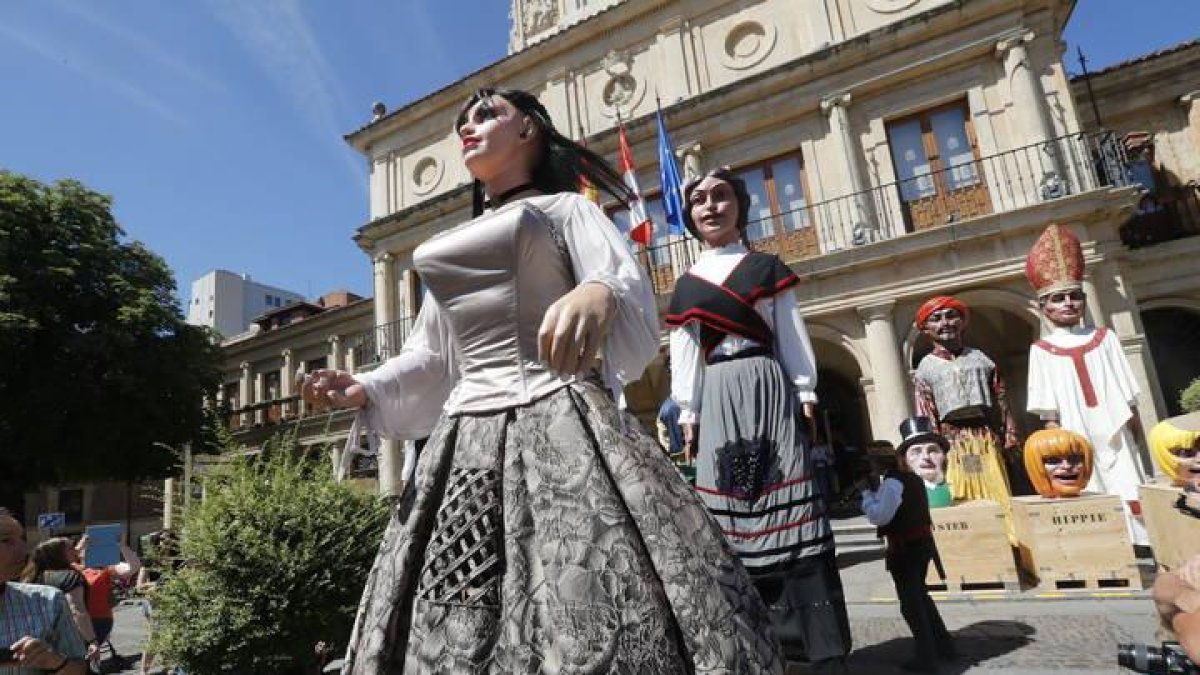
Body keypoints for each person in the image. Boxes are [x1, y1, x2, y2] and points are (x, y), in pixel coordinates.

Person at [301, 88, 781, 674]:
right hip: (466, 436)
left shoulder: (569, 211)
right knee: (458, 589)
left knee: (584, 574)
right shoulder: (449, 244)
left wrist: (597, 292)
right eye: (463, 124)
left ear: (528, 130)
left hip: (560, 414)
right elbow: (430, 353)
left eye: (487, 114)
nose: (469, 129)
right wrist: (367, 388)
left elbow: (621, 281)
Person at [665, 168, 849, 670]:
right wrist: (688, 409)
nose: (710, 206)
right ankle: (749, 648)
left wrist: (804, 386)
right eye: (699, 199)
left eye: (720, 196)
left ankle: (816, 650)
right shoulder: (687, 285)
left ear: (740, 205)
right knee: (730, 505)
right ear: (689, 214)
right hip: (718, 390)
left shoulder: (766, 267)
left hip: (767, 381)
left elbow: (789, 328)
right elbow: (684, 353)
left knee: (784, 498)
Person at [1024, 224, 1148, 544]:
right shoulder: (1041, 350)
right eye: (1058, 298)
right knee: (1085, 484)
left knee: (1126, 478)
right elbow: (1048, 411)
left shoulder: (1105, 338)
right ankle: (1102, 546)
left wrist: (1136, 431)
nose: (1068, 303)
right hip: (1073, 431)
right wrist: (1056, 439)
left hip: (1114, 427)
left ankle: (1140, 543)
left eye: (1074, 296)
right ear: (1044, 307)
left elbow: (1129, 396)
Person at [861, 418, 958, 673]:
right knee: (921, 598)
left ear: (877, 463)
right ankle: (944, 646)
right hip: (920, 546)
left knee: (912, 605)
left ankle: (927, 658)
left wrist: (866, 496)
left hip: (906, 550)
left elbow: (879, 516)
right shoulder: (911, 479)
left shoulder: (893, 483)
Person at [912, 295, 1028, 495]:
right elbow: (926, 409)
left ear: (962, 321)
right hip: (952, 441)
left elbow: (1001, 398)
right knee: (964, 490)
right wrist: (934, 447)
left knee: (996, 489)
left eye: (951, 316)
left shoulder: (981, 359)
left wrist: (1010, 433)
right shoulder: (925, 367)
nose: (945, 323)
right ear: (925, 328)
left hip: (986, 435)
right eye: (936, 319)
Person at [0, 507, 89, 675]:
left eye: (21, 539)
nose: (23, 550)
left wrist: (55, 662)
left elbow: (80, 670)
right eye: (6, 540)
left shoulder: (48, 600)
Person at [20, 538, 99, 663]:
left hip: (34, 641)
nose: (76, 551)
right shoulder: (70, 576)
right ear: (58, 554)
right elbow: (77, 610)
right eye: (71, 548)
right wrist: (92, 641)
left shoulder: (30, 578)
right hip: (67, 639)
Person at [71, 532, 141, 653]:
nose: (91, 550)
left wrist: (122, 546)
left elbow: (133, 567)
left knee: (89, 657)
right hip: (75, 620)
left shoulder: (106, 567)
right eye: (88, 546)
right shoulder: (72, 568)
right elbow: (53, 563)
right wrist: (79, 548)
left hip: (100, 619)